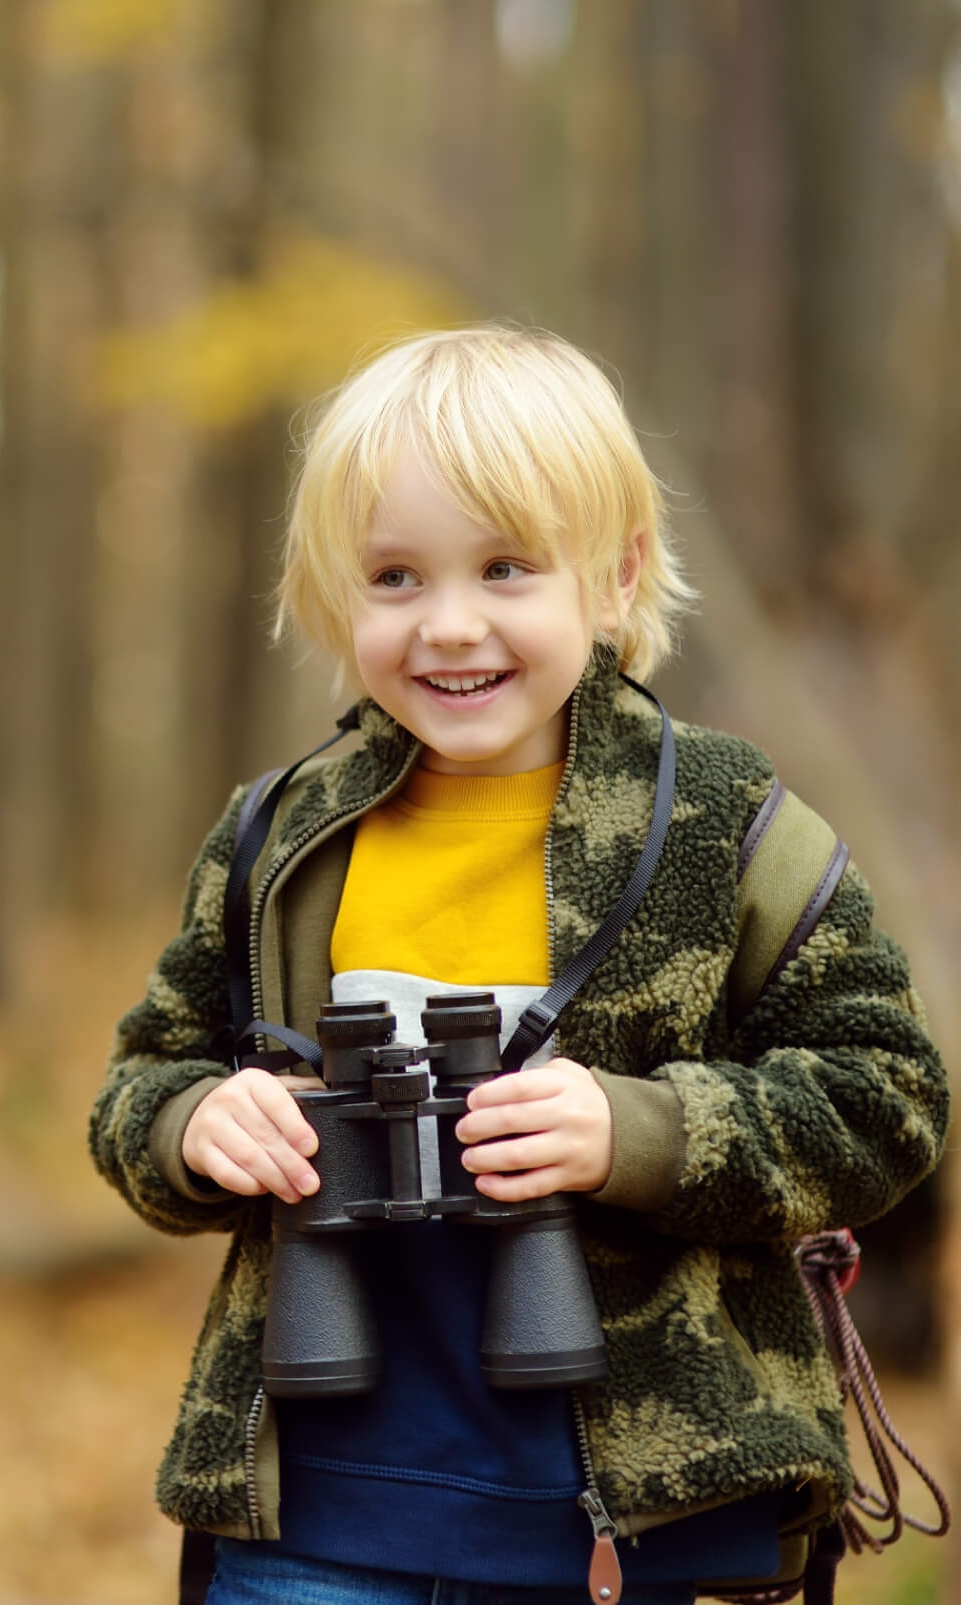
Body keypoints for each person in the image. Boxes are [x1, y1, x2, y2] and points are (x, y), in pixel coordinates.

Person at [87, 325, 948, 1605]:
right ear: (333, 591)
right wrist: (196, 1124)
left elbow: (893, 1101)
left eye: (504, 569)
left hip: (637, 1525)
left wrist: (638, 1133)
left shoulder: (717, 824)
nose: (449, 625)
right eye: (393, 577)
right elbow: (138, 1085)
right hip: (318, 1514)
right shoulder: (281, 838)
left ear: (615, 578)